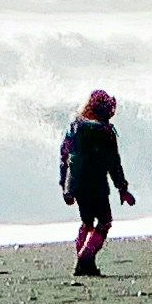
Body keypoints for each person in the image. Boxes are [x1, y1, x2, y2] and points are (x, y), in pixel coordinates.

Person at [59, 89, 136, 278]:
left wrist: (65, 185)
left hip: (76, 183)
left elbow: (64, 156)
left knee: (87, 222)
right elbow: (113, 163)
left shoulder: (74, 126)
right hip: (96, 184)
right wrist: (122, 188)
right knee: (104, 221)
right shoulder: (106, 132)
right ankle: (85, 258)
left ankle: (85, 261)